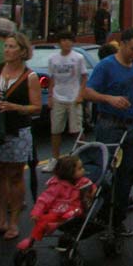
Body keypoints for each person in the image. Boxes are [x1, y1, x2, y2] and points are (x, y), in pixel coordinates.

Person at [84, 28, 133, 237]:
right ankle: (102, 214)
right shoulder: (106, 66)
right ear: (122, 44)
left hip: (131, 126)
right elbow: (88, 91)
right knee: (106, 172)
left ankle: (118, 219)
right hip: (109, 124)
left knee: (126, 173)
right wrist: (109, 99)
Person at [0, 32, 41, 240]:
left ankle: (14, 222)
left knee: (15, 176)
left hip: (17, 130)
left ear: (22, 51)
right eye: (6, 46)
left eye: (11, 47)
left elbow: (36, 107)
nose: (7, 50)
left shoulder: (30, 76)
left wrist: (15, 106)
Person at [17, 155, 94, 252]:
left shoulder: (84, 182)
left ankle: (55, 225)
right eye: (79, 168)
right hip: (58, 209)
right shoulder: (57, 185)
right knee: (43, 220)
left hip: (75, 208)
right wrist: (36, 213)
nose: (83, 170)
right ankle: (31, 239)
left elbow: (92, 190)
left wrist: (92, 194)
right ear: (70, 172)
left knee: (72, 215)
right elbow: (44, 199)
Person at [45, 31, 88, 172]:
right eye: (63, 40)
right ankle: (55, 158)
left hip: (74, 97)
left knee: (76, 128)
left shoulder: (78, 58)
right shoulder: (53, 58)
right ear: (59, 42)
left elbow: (84, 77)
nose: (66, 43)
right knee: (55, 129)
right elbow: (52, 78)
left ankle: (84, 156)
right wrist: (50, 96)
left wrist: (81, 94)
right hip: (59, 96)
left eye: (69, 40)